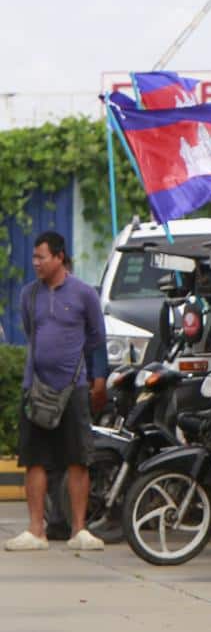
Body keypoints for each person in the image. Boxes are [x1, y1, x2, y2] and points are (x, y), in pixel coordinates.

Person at [7, 231, 108, 552]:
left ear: (60, 257)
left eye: (41, 257)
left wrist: (99, 378)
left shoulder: (84, 294)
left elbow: (96, 337)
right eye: (34, 257)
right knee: (35, 459)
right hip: (36, 389)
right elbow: (30, 330)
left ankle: (79, 529)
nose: (35, 263)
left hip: (74, 389)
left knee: (78, 459)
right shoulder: (29, 295)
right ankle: (37, 530)